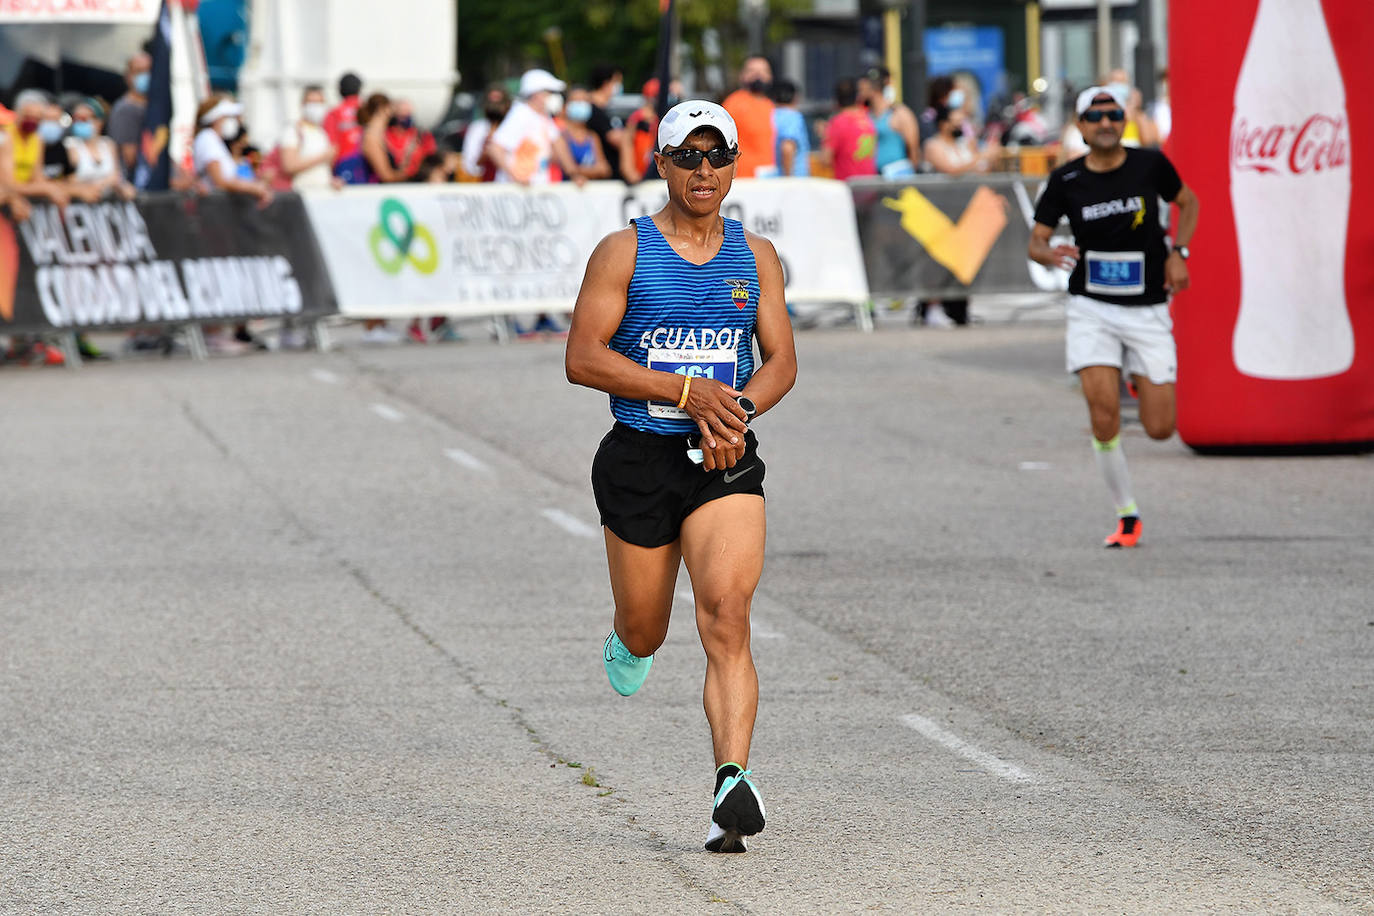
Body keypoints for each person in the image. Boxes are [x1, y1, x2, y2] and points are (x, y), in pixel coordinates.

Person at [565, 99, 796, 854]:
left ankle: (731, 783)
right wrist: (684, 392)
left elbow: (782, 362)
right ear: (660, 164)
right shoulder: (623, 252)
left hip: (721, 461)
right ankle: (629, 641)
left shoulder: (754, 256)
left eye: (717, 154)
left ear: (734, 163)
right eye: (687, 156)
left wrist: (735, 413)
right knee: (648, 626)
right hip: (640, 460)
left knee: (727, 615)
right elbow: (583, 358)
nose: (704, 170)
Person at [1028, 85, 1199, 548]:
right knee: (1104, 418)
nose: (1106, 122)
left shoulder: (1150, 164)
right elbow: (1035, 243)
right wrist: (1051, 253)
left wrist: (1178, 252)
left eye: (1114, 114)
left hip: (1147, 308)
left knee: (1161, 429)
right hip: (1092, 307)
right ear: (1080, 126)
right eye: (1095, 116)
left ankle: (1138, 378)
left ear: (1123, 121)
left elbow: (1189, 202)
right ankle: (1127, 513)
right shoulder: (1065, 181)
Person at [192, 95, 273, 355]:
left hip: (226, 217)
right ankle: (212, 332)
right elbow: (221, 180)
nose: (232, 122)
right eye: (227, 117)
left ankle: (229, 329)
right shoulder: (207, 140)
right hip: (215, 217)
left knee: (228, 268)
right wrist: (254, 187)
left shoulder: (216, 142)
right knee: (216, 269)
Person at [487, 69, 583, 186]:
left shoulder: (543, 117)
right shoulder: (521, 114)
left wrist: (574, 174)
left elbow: (559, 144)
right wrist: (515, 176)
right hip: (515, 193)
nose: (553, 96)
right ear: (536, 94)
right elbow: (495, 149)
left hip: (535, 190)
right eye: (549, 92)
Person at [721, 56, 777, 178]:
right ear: (742, 76)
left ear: (770, 77)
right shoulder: (733, 104)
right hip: (743, 179)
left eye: (763, 71)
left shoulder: (771, 105)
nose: (758, 75)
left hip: (770, 177)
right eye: (752, 71)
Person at [859, 66, 920, 178]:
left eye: (863, 88)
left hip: (898, 178)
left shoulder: (899, 113)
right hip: (873, 178)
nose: (860, 92)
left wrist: (911, 175)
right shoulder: (866, 116)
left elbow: (913, 149)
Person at [277, 85, 338, 191]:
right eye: (312, 102)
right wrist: (323, 157)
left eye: (320, 103)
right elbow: (289, 166)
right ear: (303, 105)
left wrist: (331, 180)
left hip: (323, 193)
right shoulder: (294, 130)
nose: (316, 107)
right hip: (302, 193)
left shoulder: (322, 133)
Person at [821, 77, 877, 181]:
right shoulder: (867, 118)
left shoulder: (838, 122)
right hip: (869, 185)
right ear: (857, 97)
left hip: (849, 187)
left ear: (836, 99)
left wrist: (824, 135)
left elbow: (825, 159)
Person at [922, 104, 1000, 176]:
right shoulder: (933, 145)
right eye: (956, 122)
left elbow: (979, 170)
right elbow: (950, 170)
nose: (959, 126)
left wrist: (991, 159)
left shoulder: (965, 143)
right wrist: (981, 156)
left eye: (961, 122)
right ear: (943, 124)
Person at [107, 52, 151, 178]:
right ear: (128, 76)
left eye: (148, 71)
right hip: (137, 181)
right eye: (139, 72)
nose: (145, 76)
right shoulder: (125, 109)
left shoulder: (154, 106)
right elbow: (130, 158)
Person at [459, 85, 509, 181]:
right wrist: (485, 154)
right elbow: (470, 166)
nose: (495, 107)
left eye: (499, 102)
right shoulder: (478, 128)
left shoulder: (514, 128)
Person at [584, 63, 625, 181]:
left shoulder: (608, 109)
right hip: (604, 177)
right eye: (617, 82)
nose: (619, 86)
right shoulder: (593, 110)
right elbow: (614, 139)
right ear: (606, 83)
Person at [561, 87, 612, 180]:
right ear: (565, 106)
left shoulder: (592, 137)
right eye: (577, 101)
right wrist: (594, 171)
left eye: (585, 101)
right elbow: (569, 169)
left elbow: (604, 170)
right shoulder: (561, 136)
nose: (581, 104)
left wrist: (578, 170)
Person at [323, 71, 364, 180]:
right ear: (360, 89)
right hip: (368, 164)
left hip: (343, 166)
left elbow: (331, 146)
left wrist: (329, 175)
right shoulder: (368, 110)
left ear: (340, 89)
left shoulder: (333, 114)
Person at [384, 98, 436, 181]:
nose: (406, 117)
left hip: (419, 180)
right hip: (396, 180)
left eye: (408, 113)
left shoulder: (422, 135)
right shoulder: (385, 136)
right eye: (402, 114)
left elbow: (432, 160)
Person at [619, 79, 660, 184]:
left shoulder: (663, 118)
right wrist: (629, 171)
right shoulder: (637, 119)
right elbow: (627, 142)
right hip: (640, 172)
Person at [770, 78, 810, 177]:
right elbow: (787, 147)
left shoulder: (771, 115)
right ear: (795, 97)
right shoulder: (793, 117)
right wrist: (788, 179)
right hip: (794, 179)